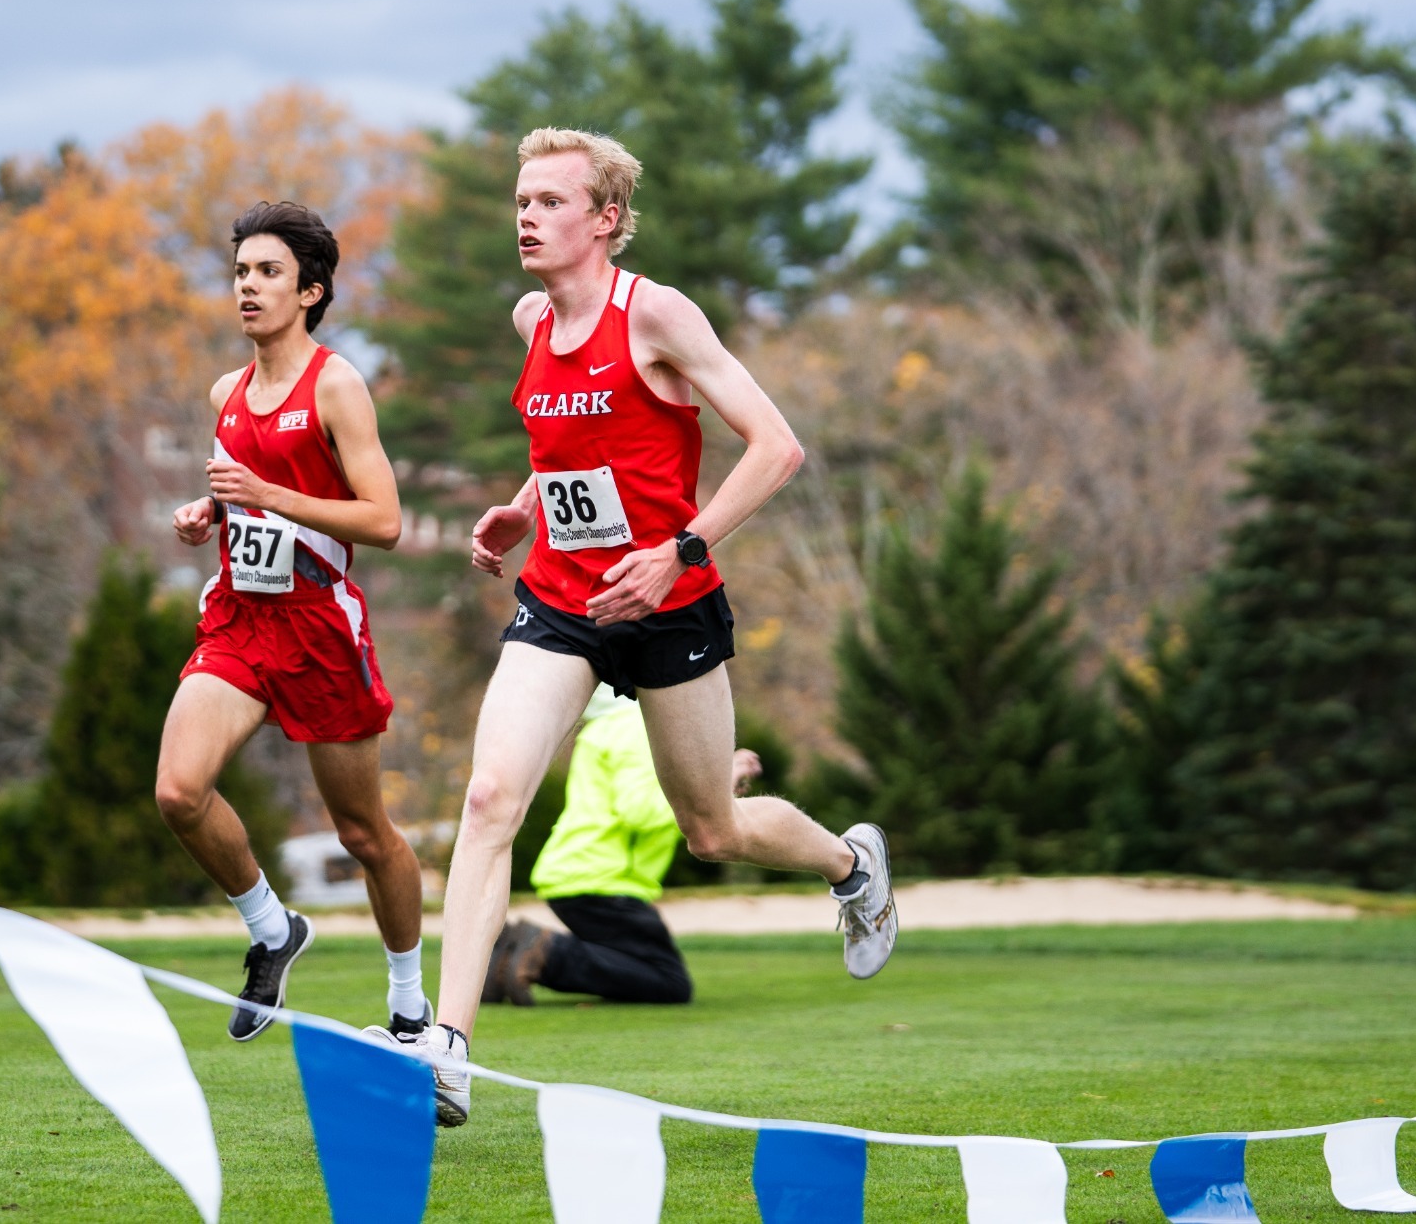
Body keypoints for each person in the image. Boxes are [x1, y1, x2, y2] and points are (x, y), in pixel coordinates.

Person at [407, 129, 897, 1127]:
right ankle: (445, 1045)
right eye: (519, 200)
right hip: (562, 604)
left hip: (668, 602)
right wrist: (520, 507)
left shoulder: (657, 316)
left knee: (710, 829)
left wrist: (681, 549)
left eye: (548, 201)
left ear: (605, 220)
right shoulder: (529, 319)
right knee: (491, 793)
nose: (525, 218)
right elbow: (570, 449)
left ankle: (852, 866)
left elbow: (776, 447)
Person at [161, 201, 430, 1043]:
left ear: (310, 291)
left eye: (268, 272)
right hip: (241, 619)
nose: (249, 287)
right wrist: (209, 511)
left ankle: (411, 1006)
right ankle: (273, 928)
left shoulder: (338, 384)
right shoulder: (227, 391)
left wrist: (267, 497)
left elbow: (384, 521)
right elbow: (250, 485)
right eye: (241, 272)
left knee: (363, 833)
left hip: (320, 629)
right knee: (178, 790)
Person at [485, 684, 767, 1008]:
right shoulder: (634, 727)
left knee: (631, 966)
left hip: (581, 875)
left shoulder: (603, 729)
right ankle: (544, 951)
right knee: (668, 981)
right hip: (606, 883)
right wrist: (717, 787)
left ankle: (504, 955)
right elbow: (639, 811)